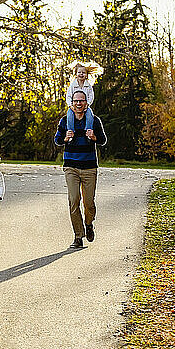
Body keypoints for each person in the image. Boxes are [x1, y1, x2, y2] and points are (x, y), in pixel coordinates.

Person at [54, 90, 107, 249]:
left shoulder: (94, 121)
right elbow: (57, 140)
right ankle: (78, 236)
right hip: (71, 167)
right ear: (72, 102)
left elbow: (103, 141)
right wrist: (65, 138)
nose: (78, 104)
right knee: (74, 200)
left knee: (89, 203)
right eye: (76, 101)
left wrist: (94, 137)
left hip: (89, 167)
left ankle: (89, 223)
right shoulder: (65, 121)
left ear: (86, 103)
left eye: (81, 101)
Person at [66, 60, 103, 133]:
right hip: (74, 106)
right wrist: (71, 106)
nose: (81, 74)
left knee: (90, 114)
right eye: (79, 72)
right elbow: (68, 96)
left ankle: (88, 130)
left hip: (84, 106)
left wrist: (87, 104)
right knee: (69, 114)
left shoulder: (88, 86)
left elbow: (91, 96)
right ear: (76, 74)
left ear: (86, 75)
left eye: (83, 72)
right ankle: (71, 131)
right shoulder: (72, 85)